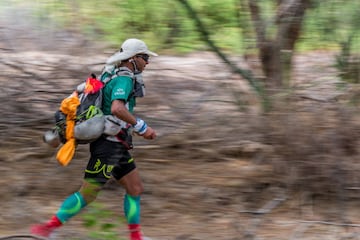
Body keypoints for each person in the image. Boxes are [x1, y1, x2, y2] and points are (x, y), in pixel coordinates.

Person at [31, 38, 157, 240]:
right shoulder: (124, 79)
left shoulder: (110, 73)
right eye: (145, 57)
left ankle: (136, 237)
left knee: (135, 188)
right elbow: (117, 108)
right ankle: (48, 229)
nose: (147, 62)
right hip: (108, 147)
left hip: (118, 145)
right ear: (133, 59)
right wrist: (141, 126)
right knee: (88, 193)